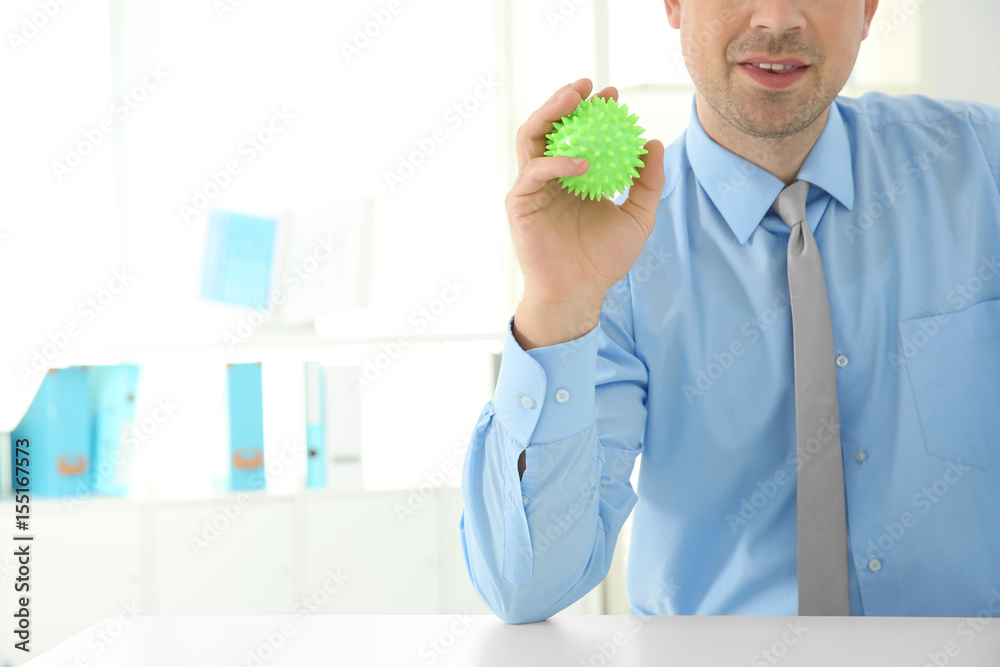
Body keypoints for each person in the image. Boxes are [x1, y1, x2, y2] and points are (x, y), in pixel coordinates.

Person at [460, 0, 1000, 624]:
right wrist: (558, 305)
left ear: (868, 9)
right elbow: (527, 589)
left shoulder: (983, 166)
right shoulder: (615, 249)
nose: (775, 19)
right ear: (674, 5)